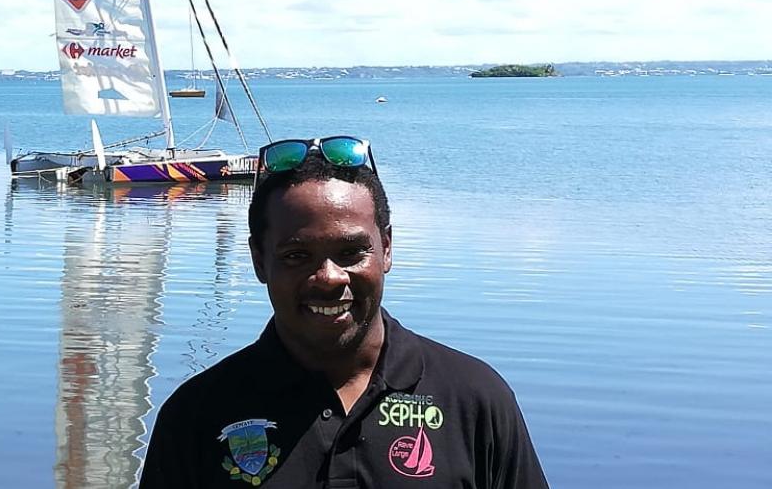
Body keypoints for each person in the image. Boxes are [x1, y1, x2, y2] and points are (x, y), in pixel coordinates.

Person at [139, 136, 548, 488]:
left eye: (351, 252)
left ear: (386, 249)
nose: (330, 277)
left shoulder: (473, 399)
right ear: (260, 261)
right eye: (298, 255)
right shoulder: (197, 415)